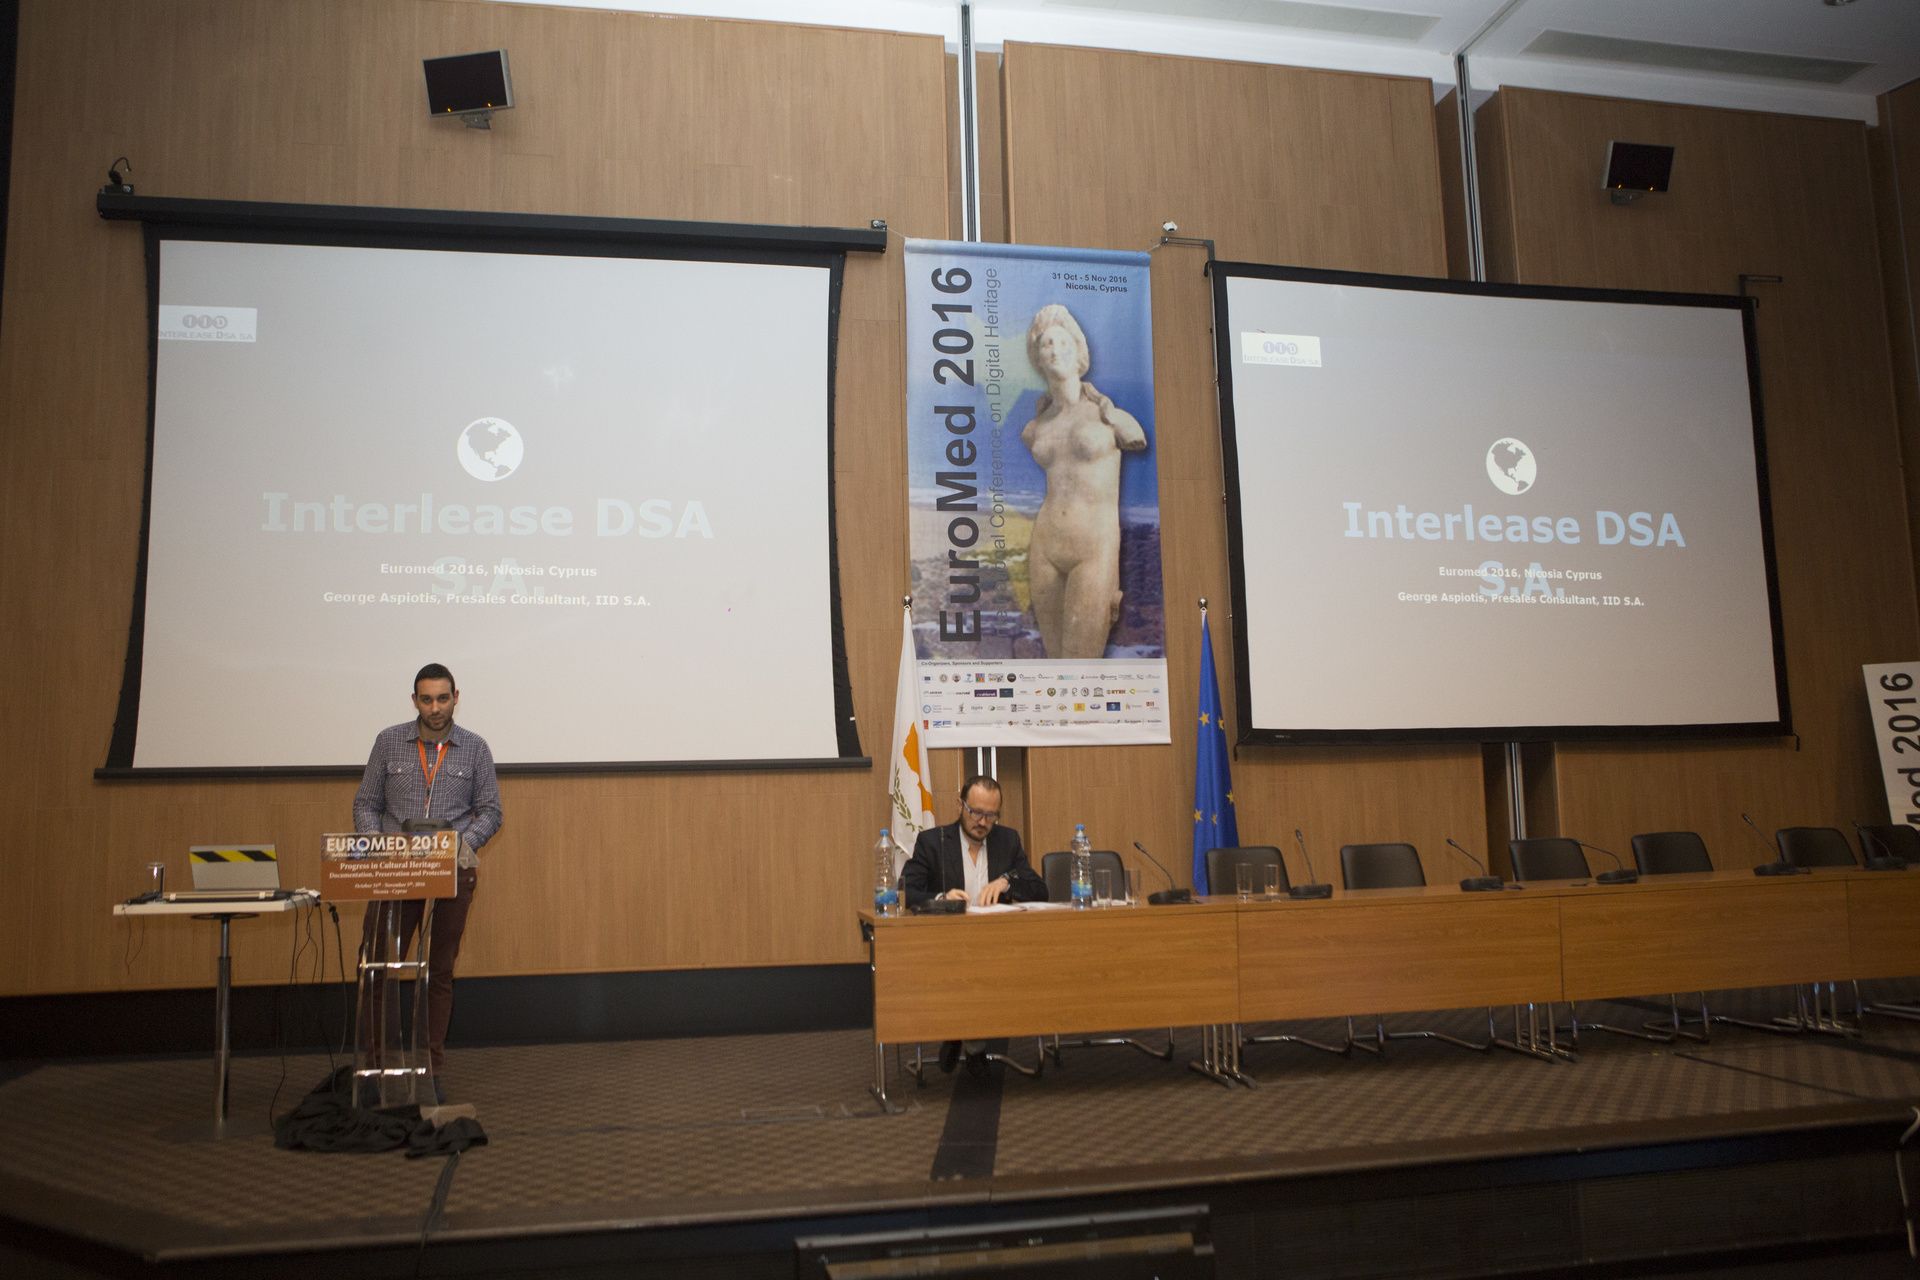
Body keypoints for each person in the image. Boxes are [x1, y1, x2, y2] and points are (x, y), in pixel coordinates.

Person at [352, 662, 502, 1101]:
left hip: (452, 872)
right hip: (395, 873)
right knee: (378, 967)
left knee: (439, 971)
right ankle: (375, 1067)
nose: (435, 708)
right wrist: (379, 846)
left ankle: (431, 1068)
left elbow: (491, 811)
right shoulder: (388, 742)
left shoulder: (475, 748)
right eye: (426, 699)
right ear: (414, 700)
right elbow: (366, 803)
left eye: (442, 698)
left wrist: (458, 846)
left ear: (456, 698)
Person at [1020, 303, 1149, 659]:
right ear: (1037, 359)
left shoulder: (1109, 417)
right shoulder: (1035, 428)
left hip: (1094, 545)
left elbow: (1136, 438)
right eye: (1046, 344)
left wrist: (1109, 413)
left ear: (1079, 353)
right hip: (1046, 544)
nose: (1055, 350)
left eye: (1063, 343)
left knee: (1081, 667)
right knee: (1056, 666)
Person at [902, 775, 1047, 1077]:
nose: (982, 822)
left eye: (990, 815)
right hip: (946, 945)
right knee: (966, 970)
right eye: (975, 812)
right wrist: (942, 899)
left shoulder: (1008, 840)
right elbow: (908, 893)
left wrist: (1008, 882)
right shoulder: (933, 842)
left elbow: (1040, 890)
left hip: (997, 944)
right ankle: (972, 1045)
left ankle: (962, 1036)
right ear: (960, 805)